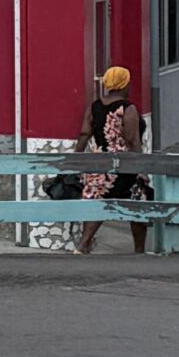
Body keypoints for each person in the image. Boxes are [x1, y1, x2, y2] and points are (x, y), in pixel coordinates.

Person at [75, 66, 149, 256]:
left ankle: (84, 244)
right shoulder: (128, 108)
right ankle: (139, 250)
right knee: (137, 204)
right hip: (123, 164)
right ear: (124, 84)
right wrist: (141, 167)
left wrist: (75, 159)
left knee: (98, 202)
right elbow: (132, 140)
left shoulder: (94, 106)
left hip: (98, 163)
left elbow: (84, 133)